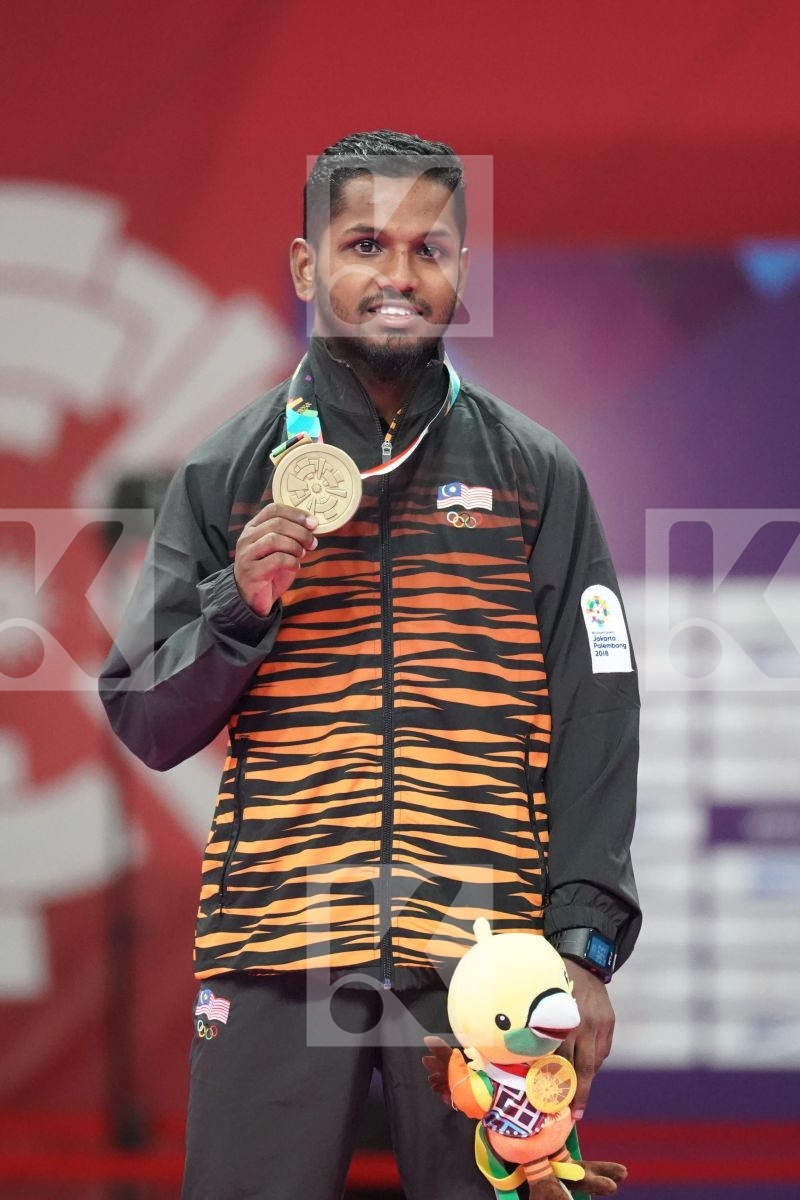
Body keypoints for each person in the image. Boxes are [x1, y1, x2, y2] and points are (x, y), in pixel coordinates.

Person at [100, 129, 641, 1200]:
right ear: (308, 267)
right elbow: (145, 718)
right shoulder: (228, 470)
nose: (396, 275)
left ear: (460, 271)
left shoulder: (536, 474)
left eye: (427, 249)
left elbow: (597, 711)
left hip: (483, 965)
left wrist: (579, 948)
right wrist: (234, 607)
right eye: (363, 244)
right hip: (274, 946)